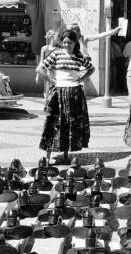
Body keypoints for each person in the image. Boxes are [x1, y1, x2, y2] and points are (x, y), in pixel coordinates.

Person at [36, 30, 95, 165]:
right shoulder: (56, 54)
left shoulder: (79, 56)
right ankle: (48, 157)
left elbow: (91, 69)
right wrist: (52, 81)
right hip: (58, 94)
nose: (66, 45)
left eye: (69, 42)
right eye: (64, 42)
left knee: (70, 125)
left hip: (74, 94)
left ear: (75, 43)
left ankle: (66, 154)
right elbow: (40, 69)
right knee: (53, 124)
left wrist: (82, 77)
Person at [35, 29, 61, 99]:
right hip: (47, 72)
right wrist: (38, 75)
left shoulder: (59, 48)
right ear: (52, 37)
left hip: (56, 72)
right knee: (47, 90)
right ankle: (47, 104)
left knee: (56, 90)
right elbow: (41, 61)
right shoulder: (44, 48)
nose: (58, 38)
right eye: (57, 36)